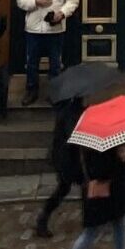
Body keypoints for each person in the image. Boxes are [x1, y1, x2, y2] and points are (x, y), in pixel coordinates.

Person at [59, 142, 125, 249]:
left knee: (120, 223)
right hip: (104, 194)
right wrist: (121, 159)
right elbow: (102, 171)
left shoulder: (96, 145)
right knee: (91, 231)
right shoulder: (98, 147)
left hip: (112, 193)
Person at [16, 0, 79, 106]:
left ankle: (54, 93)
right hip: (34, 29)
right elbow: (20, 0)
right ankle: (31, 90)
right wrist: (35, 2)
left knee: (55, 63)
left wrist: (62, 13)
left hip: (55, 29)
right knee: (31, 63)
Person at [33, 99, 79, 237]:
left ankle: (43, 217)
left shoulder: (73, 110)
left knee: (71, 188)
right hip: (66, 158)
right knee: (65, 188)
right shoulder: (70, 113)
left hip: (69, 157)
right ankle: (43, 218)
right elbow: (72, 137)